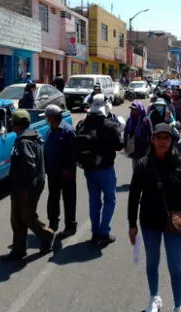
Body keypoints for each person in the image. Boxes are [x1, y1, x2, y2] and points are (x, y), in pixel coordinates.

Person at [128, 123, 181, 312]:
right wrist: (132, 225)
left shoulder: (180, 164)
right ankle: (154, 297)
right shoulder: (143, 164)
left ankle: (179, 304)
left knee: (175, 266)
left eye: (166, 138)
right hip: (149, 222)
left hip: (173, 223)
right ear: (153, 140)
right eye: (159, 138)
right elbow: (134, 196)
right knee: (152, 262)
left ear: (171, 141)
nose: (163, 142)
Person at [0, 110, 54, 261]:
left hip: (26, 187)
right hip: (24, 186)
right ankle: (18, 250)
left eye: (13, 122)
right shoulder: (30, 136)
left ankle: (46, 234)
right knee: (17, 219)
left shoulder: (25, 141)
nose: (11, 125)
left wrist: (24, 190)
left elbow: (28, 167)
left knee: (27, 217)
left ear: (18, 124)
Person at [75, 94, 124, 246]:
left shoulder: (84, 124)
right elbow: (119, 145)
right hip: (106, 169)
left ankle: (95, 232)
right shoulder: (109, 125)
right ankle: (104, 232)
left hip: (89, 170)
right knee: (110, 199)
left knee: (94, 201)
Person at [41, 104, 78, 238]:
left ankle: (70, 226)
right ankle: (53, 223)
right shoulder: (50, 130)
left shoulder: (68, 131)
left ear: (52, 118)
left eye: (47, 117)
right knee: (53, 198)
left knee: (68, 199)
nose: (46, 119)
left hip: (66, 173)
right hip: (52, 172)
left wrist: (67, 170)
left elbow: (73, 154)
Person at [124, 101, 151, 169]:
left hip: (144, 150)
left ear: (140, 110)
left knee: (144, 169)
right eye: (132, 109)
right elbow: (126, 133)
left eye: (135, 109)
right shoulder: (130, 120)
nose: (133, 111)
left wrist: (150, 147)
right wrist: (125, 145)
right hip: (134, 150)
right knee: (136, 169)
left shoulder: (146, 121)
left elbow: (150, 134)